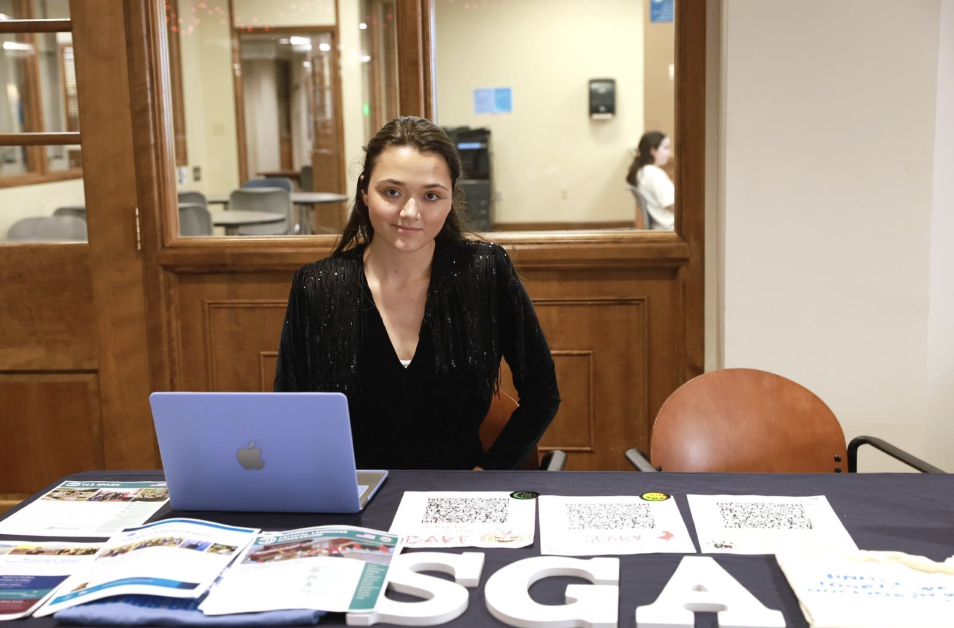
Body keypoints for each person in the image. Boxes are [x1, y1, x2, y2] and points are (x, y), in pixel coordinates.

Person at [274, 116, 560, 470]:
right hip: (356, 492)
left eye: (431, 196)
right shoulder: (317, 286)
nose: (410, 213)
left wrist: (489, 473)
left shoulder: (485, 271)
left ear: (451, 198)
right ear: (364, 190)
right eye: (392, 192)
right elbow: (293, 412)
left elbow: (542, 394)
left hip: (459, 491)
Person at [625, 131, 675, 230]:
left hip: (661, 226)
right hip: (671, 227)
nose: (670, 153)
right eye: (666, 148)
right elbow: (672, 205)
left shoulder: (642, 171)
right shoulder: (653, 173)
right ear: (653, 151)